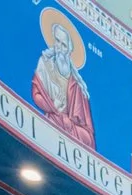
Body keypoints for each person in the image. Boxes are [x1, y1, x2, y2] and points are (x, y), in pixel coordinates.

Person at [33, 13, 97, 149]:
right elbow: (36, 94)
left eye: (64, 45)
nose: (60, 48)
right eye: (57, 41)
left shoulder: (78, 86)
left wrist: (69, 122)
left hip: (70, 127)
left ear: (69, 50)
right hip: (53, 117)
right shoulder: (44, 65)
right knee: (54, 120)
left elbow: (88, 134)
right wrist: (53, 106)